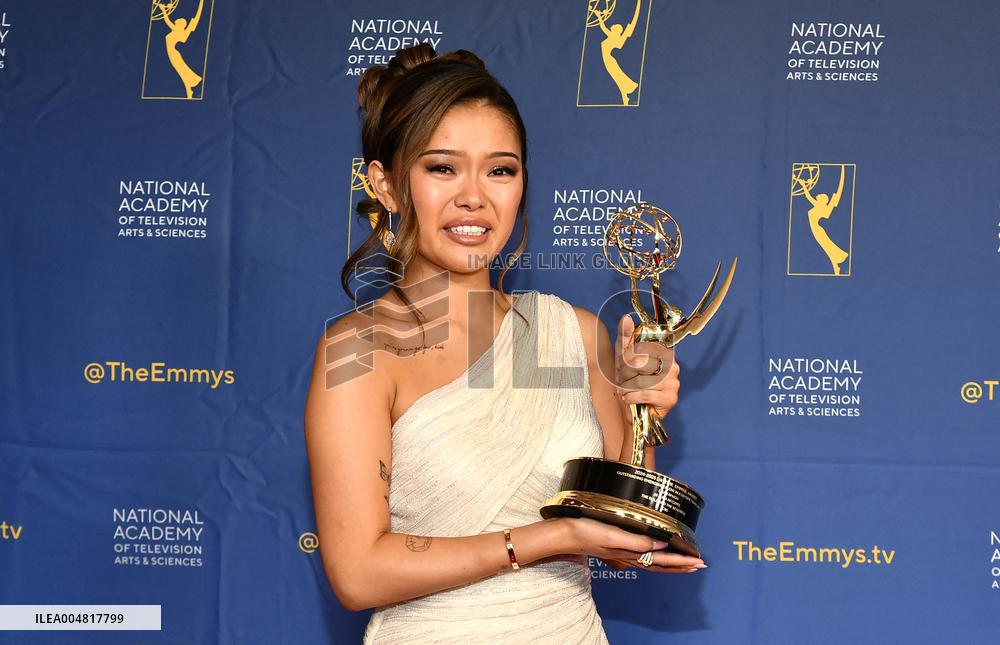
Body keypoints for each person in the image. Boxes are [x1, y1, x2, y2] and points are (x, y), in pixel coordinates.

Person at [304, 44, 705, 644]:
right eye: (442, 168)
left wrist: (642, 412)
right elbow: (358, 573)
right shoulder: (357, 350)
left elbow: (621, 518)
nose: (474, 197)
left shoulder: (574, 333)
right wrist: (554, 538)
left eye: (500, 169)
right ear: (385, 185)